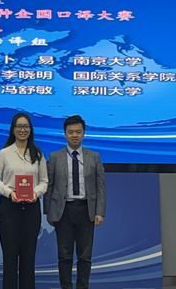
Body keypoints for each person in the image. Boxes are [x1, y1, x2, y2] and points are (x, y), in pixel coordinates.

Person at [43, 115, 106, 289]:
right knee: (64, 256)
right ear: (65, 134)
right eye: (71, 132)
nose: (74, 135)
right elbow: (49, 185)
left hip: (86, 210)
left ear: (84, 133)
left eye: (78, 132)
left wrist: (100, 211)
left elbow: (100, 186)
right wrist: (48, 212)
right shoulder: (55, 157)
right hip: (63, 211)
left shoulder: (94, 157)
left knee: (85, 257)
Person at [0, 113, 48, 289]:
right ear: (13, 129)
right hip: (10, 209)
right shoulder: (4, 153)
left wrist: (35, 193)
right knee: (9, 259)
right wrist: (9, 193)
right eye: (19, 126)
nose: (23, 130)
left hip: (31, 209)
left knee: (28, 259)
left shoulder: (38, 153)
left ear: (30, 129)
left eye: (26, 126)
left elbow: (44, 181)